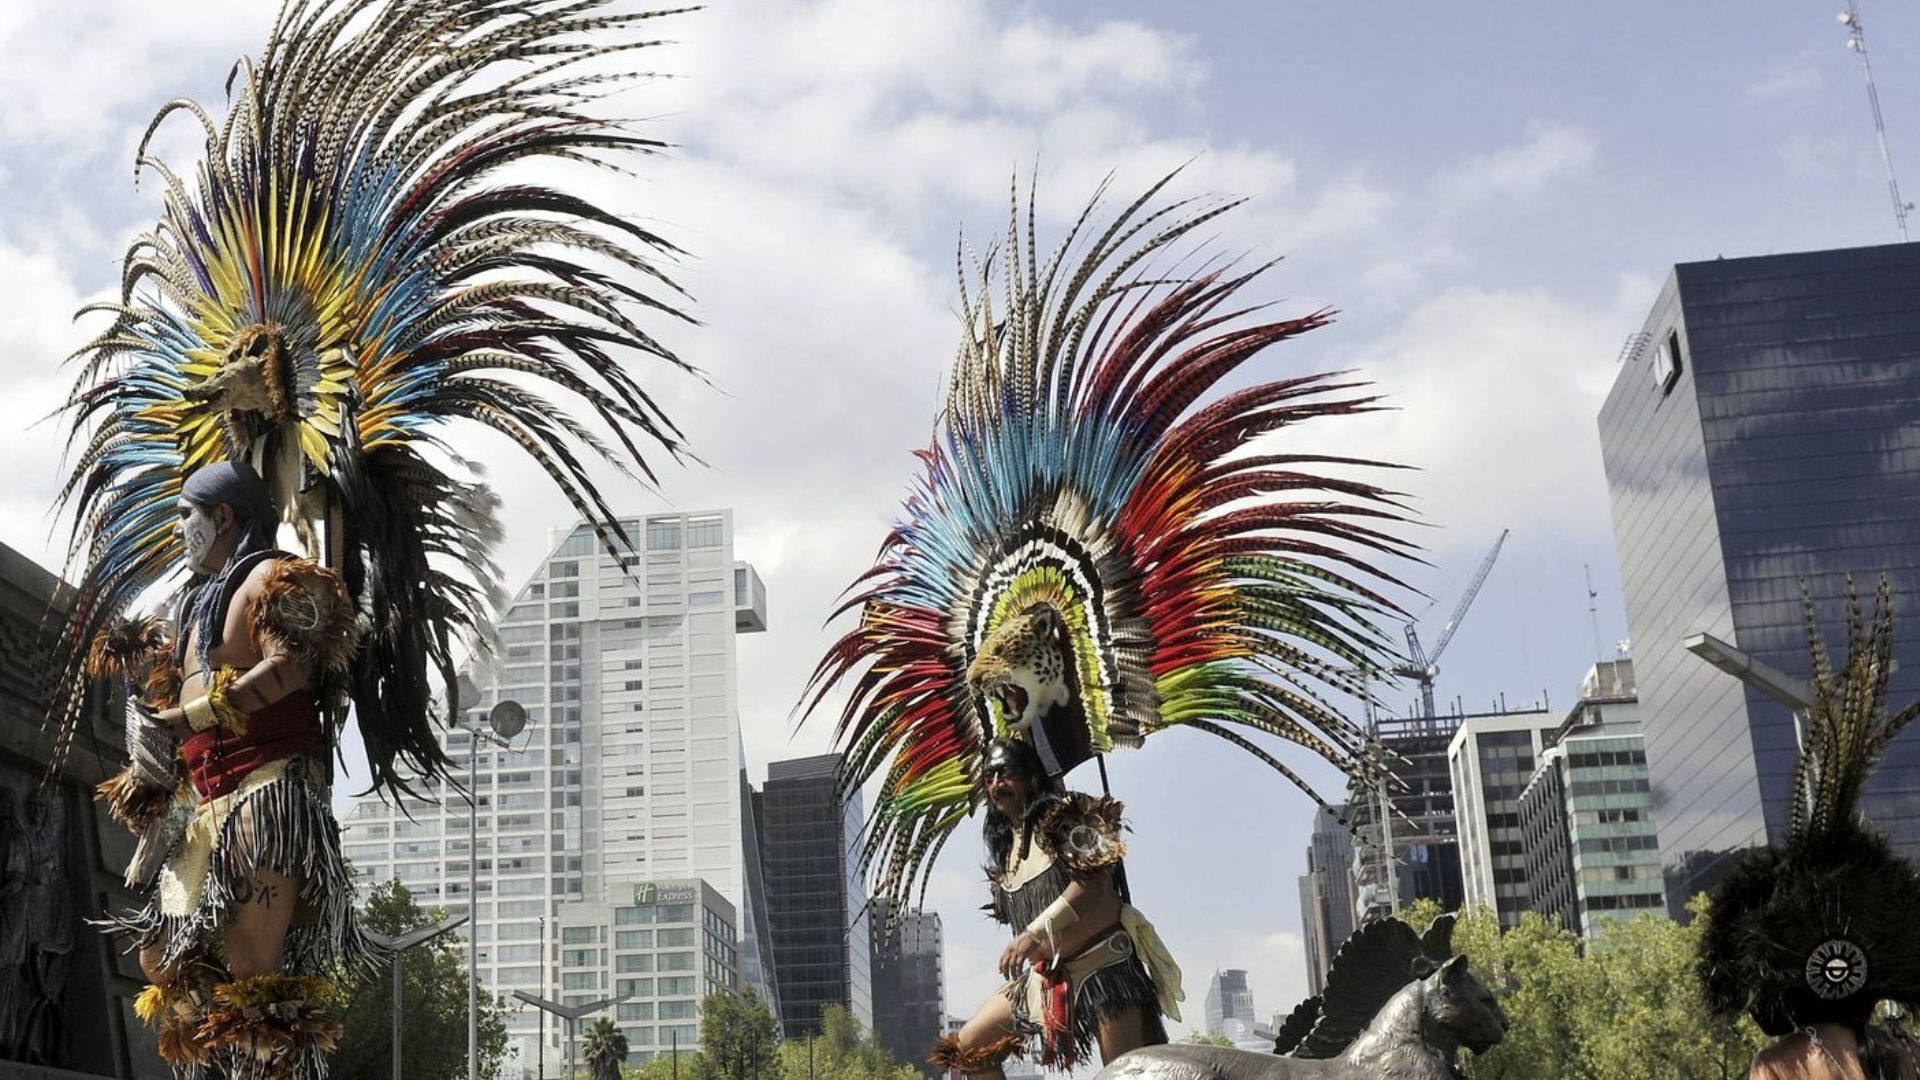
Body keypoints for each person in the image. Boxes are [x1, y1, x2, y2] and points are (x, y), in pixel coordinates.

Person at [107, 461, 366, 1077]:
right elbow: (178, 714)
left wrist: (198, 713)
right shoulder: (195, 606)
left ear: (223, 517)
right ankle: (228, 1061)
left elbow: (294, 663)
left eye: (184, 517)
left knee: (254, 970)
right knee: (159, 961)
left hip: (269, 790)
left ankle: (263, 1063)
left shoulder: (277, 577)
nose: (176, 531)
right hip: (201, 801)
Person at [931, 738, 1178, 1078]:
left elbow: (1096, 881)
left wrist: (1033, 933)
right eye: (989, 776)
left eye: (1005, 773)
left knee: (1125, 1073)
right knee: (970, 1046)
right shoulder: (1006, 848)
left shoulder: (1063, 817)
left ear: (1031, 776)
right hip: (1046, 979)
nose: (995, 784)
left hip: (1103, 967)